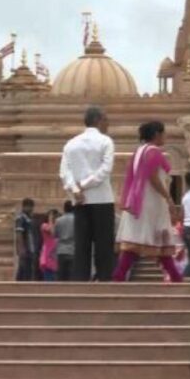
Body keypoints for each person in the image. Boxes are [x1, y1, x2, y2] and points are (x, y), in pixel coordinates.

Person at [112, 121, 183, 283]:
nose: (165, 136)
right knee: (157, 237)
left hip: (137, 201)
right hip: (150, 202)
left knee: (137, 241)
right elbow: (153, 178)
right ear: (157, 134)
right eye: (164, 133)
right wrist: (168, 197)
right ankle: (175, 277)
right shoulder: (154, 151)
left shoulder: (139, 151)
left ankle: (120, 276)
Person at [60, 106, 116, 282]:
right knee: (104, 246)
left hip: (80, 201)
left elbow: (64, 172)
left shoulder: (71, 143)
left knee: (81, 246)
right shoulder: (105, 141)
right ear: (99, 121)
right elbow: (105, 169)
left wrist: (76, 189)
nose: (108, 123)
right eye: (106, 119)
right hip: (102, 199)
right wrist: (84, 185)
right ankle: (104, 279)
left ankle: (80, 281)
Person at [14, 198, 39, 281]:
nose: (32, 209)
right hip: (25, 248)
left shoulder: (29, 218)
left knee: (28, 270)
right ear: (25, 207)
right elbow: (19, 233)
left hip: (30, 248)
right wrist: (21, 248)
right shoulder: (21, 218)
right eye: (30, 207)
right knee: (24, 270)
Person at [54, 201, 76, 281]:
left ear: (64, 209)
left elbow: (55, 234)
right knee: (72, 276)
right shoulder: (76, 219)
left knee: (61, 276)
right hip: (73, 249)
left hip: (61, 250)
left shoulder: (58, 220)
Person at [39, 209, 60, 282]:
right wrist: (50, 220)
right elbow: (52, 232)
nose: (55, 218)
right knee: (49, 282)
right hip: (48, 256)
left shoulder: (58, 226)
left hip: (56, 257)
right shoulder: (44, 225)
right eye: (54, 216)